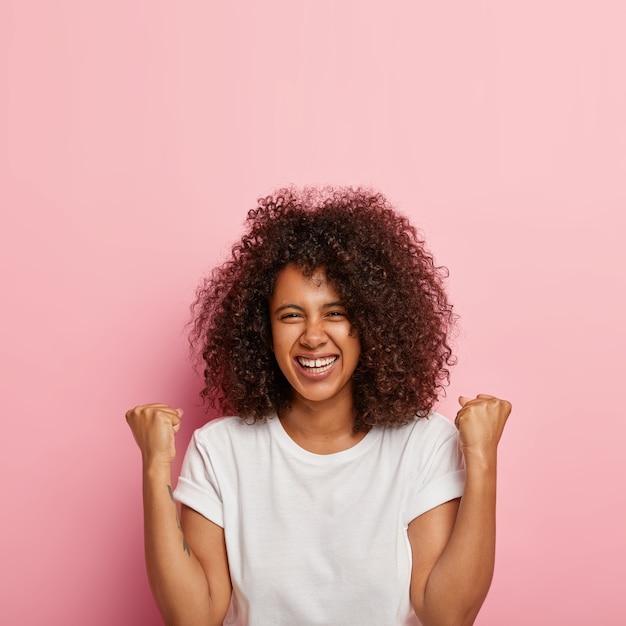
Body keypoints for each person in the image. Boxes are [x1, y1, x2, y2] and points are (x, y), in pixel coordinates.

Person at [126, 186, 511, 626]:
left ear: (371, 322)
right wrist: (155, 467)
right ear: (262, 330)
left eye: (335, 313)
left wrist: (482, 460)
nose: (312, 335)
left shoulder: (424, 444)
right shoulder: (220, 450)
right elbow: (192, 619)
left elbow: (448, 616)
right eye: (291, 315)